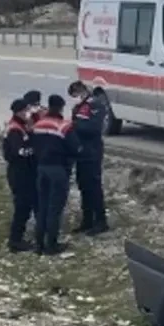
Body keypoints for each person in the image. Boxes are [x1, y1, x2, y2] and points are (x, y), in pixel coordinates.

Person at [31, 94, 82, 255]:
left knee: (42, 207)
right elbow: (76, 148)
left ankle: (39, 244)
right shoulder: (64, 126)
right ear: (61, 107)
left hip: (41, 169)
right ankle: (51, 245)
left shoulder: (38, 125)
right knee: (55, 209)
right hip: (58, 170)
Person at [68, 80, 109, 235]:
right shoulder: (78, 107)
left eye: (76, 94)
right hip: (81, 152)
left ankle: (100, 221)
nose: (75, 98)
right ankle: (87, 220)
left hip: (92, 151)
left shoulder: (95, 105)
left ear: (83, 91)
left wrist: (75, 126)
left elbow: (94, 127)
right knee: (83, 186)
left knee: (94, 187)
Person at [1, 98, 37, 253]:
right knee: (22, 208)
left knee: (25, 205)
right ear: (19, 112)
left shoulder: (22, 126)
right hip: (19, 173)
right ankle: (15, 241)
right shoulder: (15, 129)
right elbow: (19, 151)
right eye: (25, 111)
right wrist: (35, 149)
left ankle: (18, 238)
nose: (28, 113)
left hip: (24, 172)